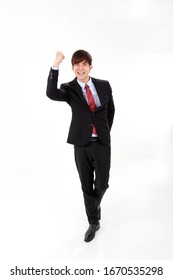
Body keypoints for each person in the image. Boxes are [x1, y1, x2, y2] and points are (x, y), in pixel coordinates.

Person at [46, 50, 115, 242]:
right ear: (73, 68)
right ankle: (93, 222)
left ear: (90, 66)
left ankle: (94, 204)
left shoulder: (104, 85)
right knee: (86, 185)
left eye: (84, 64)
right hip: (81, 144)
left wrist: (104, 131)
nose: (80, 68)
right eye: (76, 65)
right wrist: (55, 65)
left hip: (101, 143)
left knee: (102, 183)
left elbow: (111, 110)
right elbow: (51, 93)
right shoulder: (69, 89)